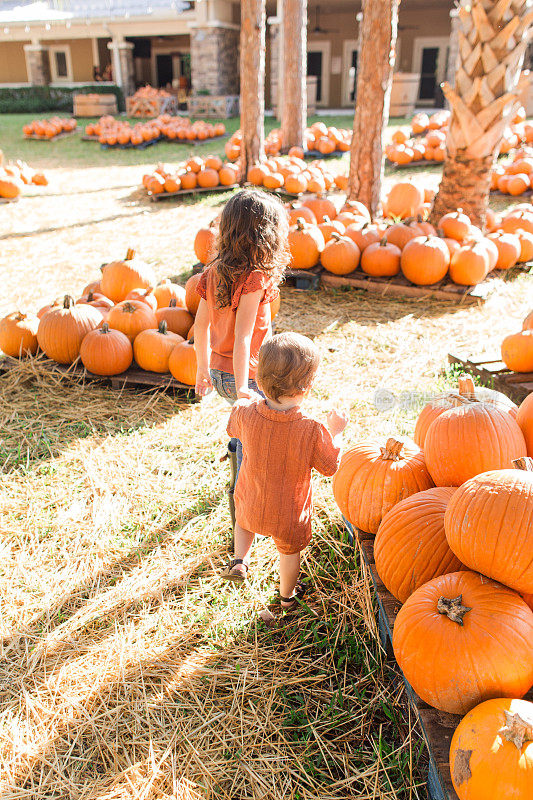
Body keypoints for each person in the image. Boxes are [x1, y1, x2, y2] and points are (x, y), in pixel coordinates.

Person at [222, 332, 348, 618]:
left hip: (251, 501)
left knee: (243, 522)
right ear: (309, 386)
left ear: (260, 378)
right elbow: (329, 467)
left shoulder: (245, 413)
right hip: (288, 514)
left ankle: (239, 561)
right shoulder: (313, 429)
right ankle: (287, 599)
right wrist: (336, 433)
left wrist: (247, 400)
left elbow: (233, 429)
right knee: (289, 555)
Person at [194, 189, 289, 475]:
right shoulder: (255, 278)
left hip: (217, 373)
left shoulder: (212, 272)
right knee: (260, 436)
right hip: (245, 375)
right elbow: (243, 337)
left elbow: (200, 326)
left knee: (243, 427)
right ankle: (248, 486)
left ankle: (238, 473)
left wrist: (201, 369)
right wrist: (244, 387)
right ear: (266, 235)